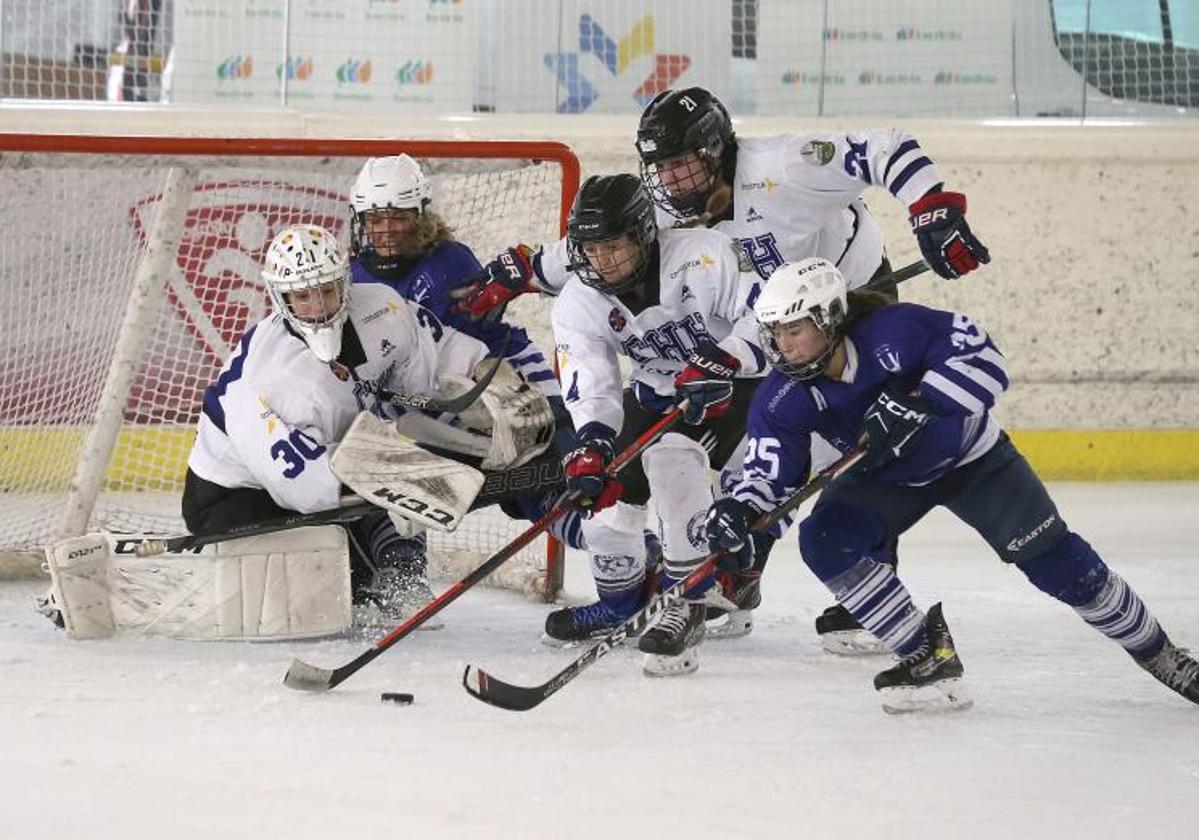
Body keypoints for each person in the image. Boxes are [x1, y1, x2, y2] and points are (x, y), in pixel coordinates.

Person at [453, 87, 991, 654]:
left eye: (682, 164)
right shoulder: (665, 206)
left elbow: (883, 147)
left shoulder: (784, 167)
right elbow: (597, 250)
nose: (671, 181)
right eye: (659, 167)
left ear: (716, 150)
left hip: (849, 300)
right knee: (743, 458)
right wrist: (525, 271)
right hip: (756, 328)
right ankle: (733, 573)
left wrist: (931, 207)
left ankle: (863, 586)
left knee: (852, 445)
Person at [703, 257, 1199, 712]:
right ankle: (927, 654)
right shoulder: (781, 396)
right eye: (775, 331)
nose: (782, 344)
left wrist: (924, 400)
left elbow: (988, 361)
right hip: (886, 478)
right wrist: (740, 509)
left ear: (830, 318)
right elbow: (770, 474)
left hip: (973, 460)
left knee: (1060, 568)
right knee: (825, 538)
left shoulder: (897, 330)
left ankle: (1159, 653)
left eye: (794, 328)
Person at [183, 223, 498, 627]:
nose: (318, 306)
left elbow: (432, 352)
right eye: (302, 296)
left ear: (345, 282)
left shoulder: (382, 308)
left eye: (327, 290)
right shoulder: (275, 380)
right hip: (235, 499)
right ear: (281, 298)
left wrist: (483, 371)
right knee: (334, 601)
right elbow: (306, 486)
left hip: (330, 458)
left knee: (389, 458)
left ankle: (402, 576)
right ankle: (377, 575)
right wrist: (407, 475)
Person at [545, 173, 768, 676]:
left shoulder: (707, 254)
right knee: (605, 496)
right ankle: (622, 604)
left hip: (737, 389)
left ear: (644, 234)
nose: (600, 260)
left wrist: (726, 360)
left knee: (672, 461)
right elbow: (591, 377)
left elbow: (765, 314)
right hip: (660, 393)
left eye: (612, 246)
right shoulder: (579, 299)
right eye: (589, 248)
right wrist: (594, 442)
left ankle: (688, 600)